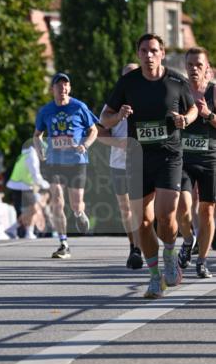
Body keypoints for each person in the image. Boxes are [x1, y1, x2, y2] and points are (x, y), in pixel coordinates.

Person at [101, 33, 197, 298]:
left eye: (154, 50)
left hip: (168, 156)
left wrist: (185, 120)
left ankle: (169, 254)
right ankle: (154, 277)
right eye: (144, 51)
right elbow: (104, 118)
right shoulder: (127, 82)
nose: (149, 55)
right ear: (138, 54)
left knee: (166, 216)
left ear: (162, 53)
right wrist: (118, 115)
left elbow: (194, 110)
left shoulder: (176, 81)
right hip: (138, 159)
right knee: (143, 222)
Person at [33, 72, 99, 259]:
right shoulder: (46, 110)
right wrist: (40, 151)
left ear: (69, 88)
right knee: (57, 200)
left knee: (75, 203)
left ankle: (79, 213)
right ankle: (63, 243)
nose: (63, 89)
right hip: (55, 162)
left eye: (66, 85)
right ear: (52, 89)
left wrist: (85, 145)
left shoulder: (79, 107)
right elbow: (37, 135)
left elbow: (94, 130)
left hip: (77, 161)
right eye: (59, 86)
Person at [97, 63, 143, 270]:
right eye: (126, 76)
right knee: (126, 209)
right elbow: (99, 131)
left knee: (143, 209)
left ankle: (147, 246)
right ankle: (134, 248)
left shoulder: (146, 98)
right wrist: (120, 143)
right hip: (119, 162)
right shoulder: (114, 103)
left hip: (144, 162)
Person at [175, 46, 216, 278]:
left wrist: (209, 115)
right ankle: (189, 240)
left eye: (199, 65)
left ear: (206, 69)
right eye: (190, 65)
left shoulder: (214, 92)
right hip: (183, 159)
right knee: (182, 204)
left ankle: (202, 261)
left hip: (210, 159)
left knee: (208, 212)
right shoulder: (179, 92)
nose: (194, 69)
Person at [6, 142, 50, 238]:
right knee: (34, 209)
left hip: (18, 185)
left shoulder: (25, 154)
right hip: (23, 185)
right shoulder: (32, 156)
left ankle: (26, 232)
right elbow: (35, 175)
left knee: (31, 210)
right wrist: (46, 185)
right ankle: (14, 229)